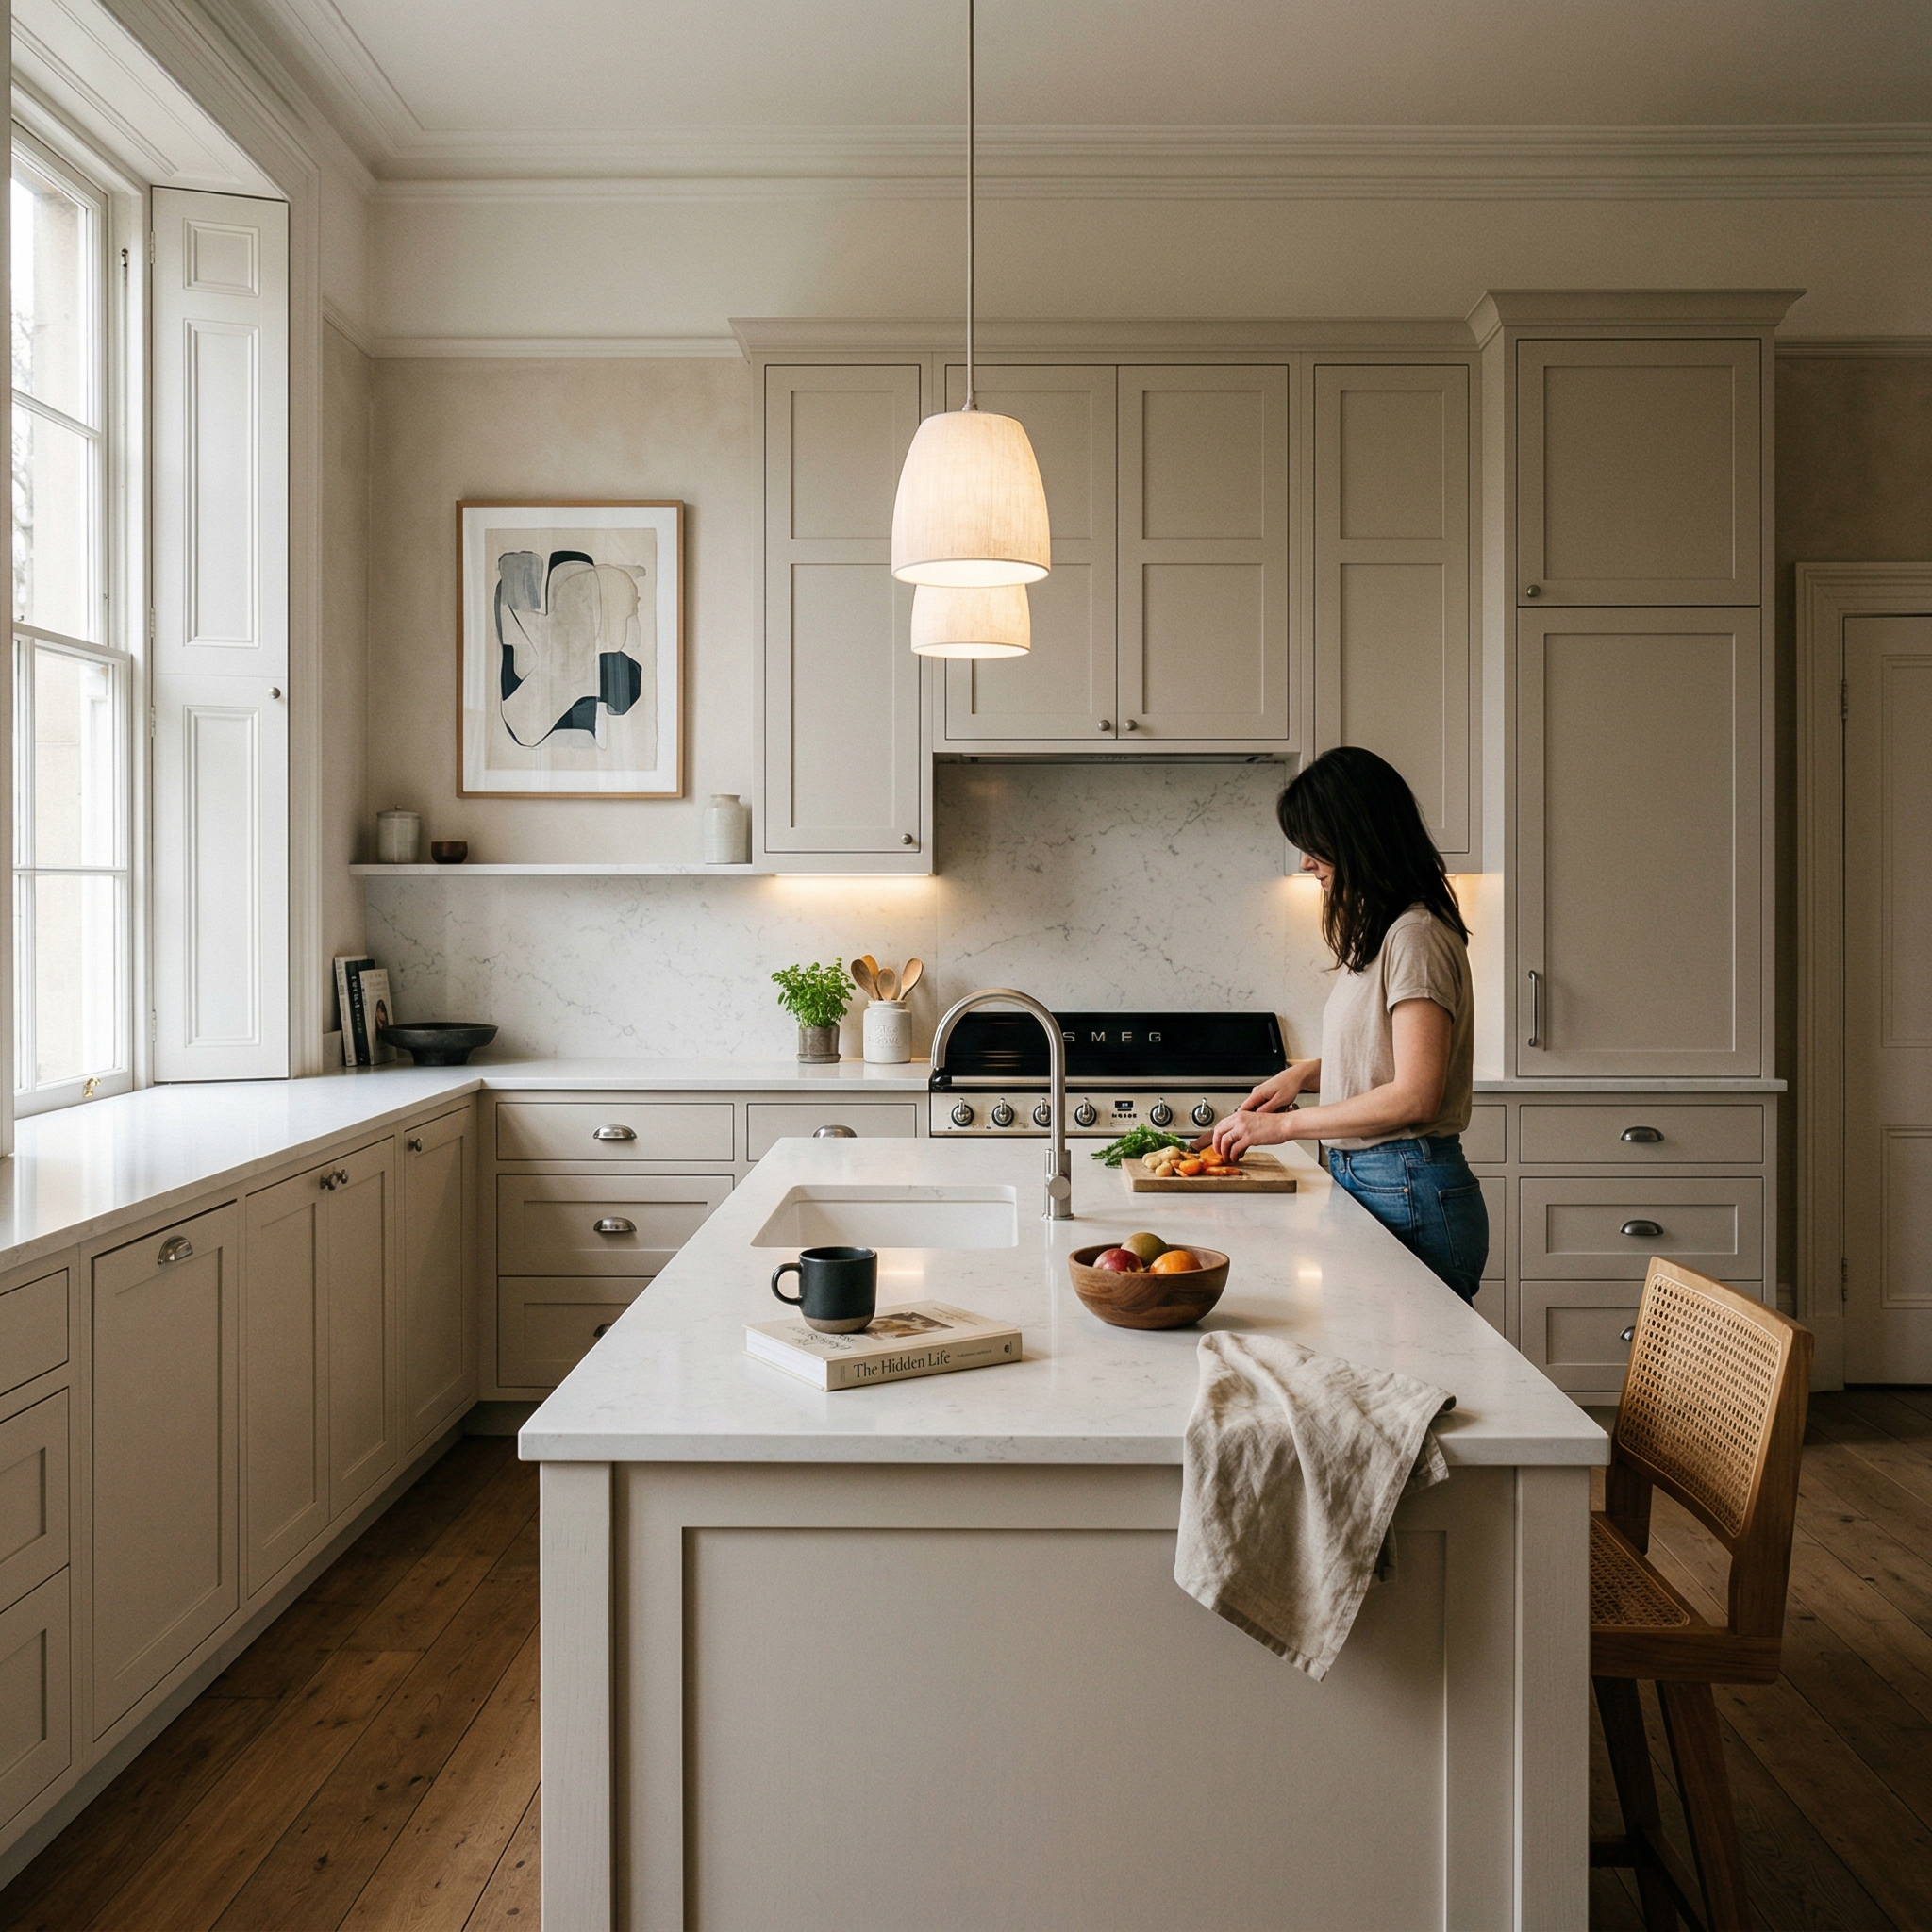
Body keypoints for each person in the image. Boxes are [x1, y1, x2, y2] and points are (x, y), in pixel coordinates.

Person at [1209, 745, 1488, 1304]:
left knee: (1416, 1383)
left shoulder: (1415, 937)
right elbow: (1386, 1055)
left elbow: (1415, 1096)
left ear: (1358, 836)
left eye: (1315, 845)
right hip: (1383, 1181)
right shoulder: (1390, 935)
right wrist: (1307, 1074)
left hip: (1406, 1185)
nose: (1306, 863)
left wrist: (1282, 1127)